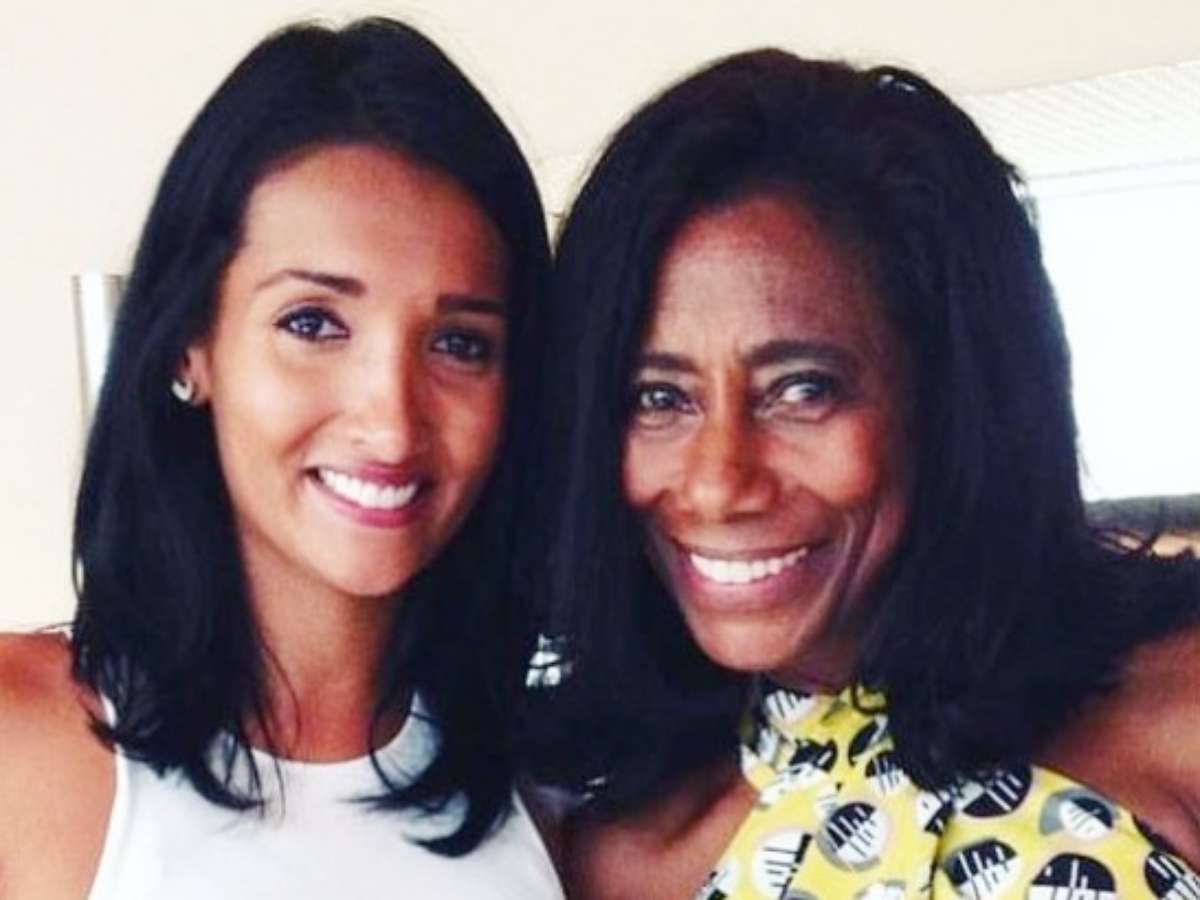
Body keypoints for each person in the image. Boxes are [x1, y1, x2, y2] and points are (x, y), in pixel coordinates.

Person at [516, 48, 1200, 898]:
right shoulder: (601, 853)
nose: (720, 483)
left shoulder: (1175, 702)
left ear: (950, 398)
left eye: (802, 390)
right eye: (659, 398)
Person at [0, 18, 561, 899]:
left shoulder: (550, 793)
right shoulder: (24, 745)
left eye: (459, 343)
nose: (392, 423)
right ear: (190, 345)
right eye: (312, 323)